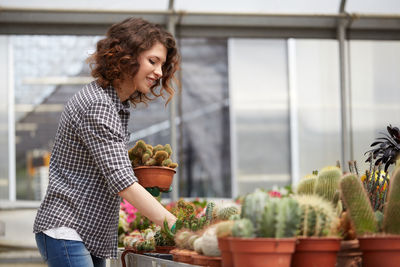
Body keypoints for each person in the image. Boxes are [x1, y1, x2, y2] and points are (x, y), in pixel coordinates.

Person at [33, 17, 179, 267]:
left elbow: (108, 169)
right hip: (68, 229)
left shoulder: (114, 104)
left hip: (86, 230)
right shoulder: (98, 105)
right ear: (126, 57)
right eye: (152, 61)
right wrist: (177, 226)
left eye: (162, 65)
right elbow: (123, 183)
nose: (159, 72)